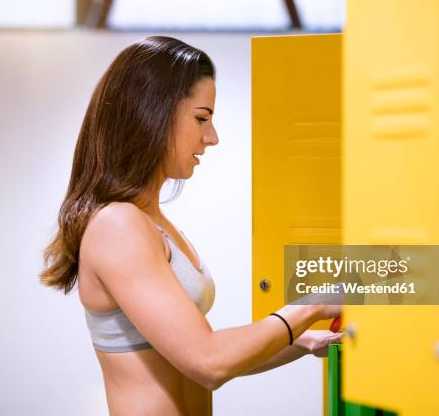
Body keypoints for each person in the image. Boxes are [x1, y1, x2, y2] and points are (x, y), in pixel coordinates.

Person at [40, 36, 342, 416]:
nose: (211, 137)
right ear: (151, 113)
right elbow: (208, 362)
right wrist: (310, 306)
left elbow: (199, 356)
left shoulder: (153, 223)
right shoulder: (117, 225)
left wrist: (302, 341)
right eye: (201, 118)